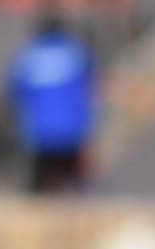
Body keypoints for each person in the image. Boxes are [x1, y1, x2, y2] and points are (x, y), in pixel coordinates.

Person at [7, 11, 98, 193]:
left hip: (39, 136)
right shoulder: (77, 54)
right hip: (72, 134)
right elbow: (91, 91)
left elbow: (14, 94)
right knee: (75, 187)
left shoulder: (27, 58)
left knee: (41, 187)